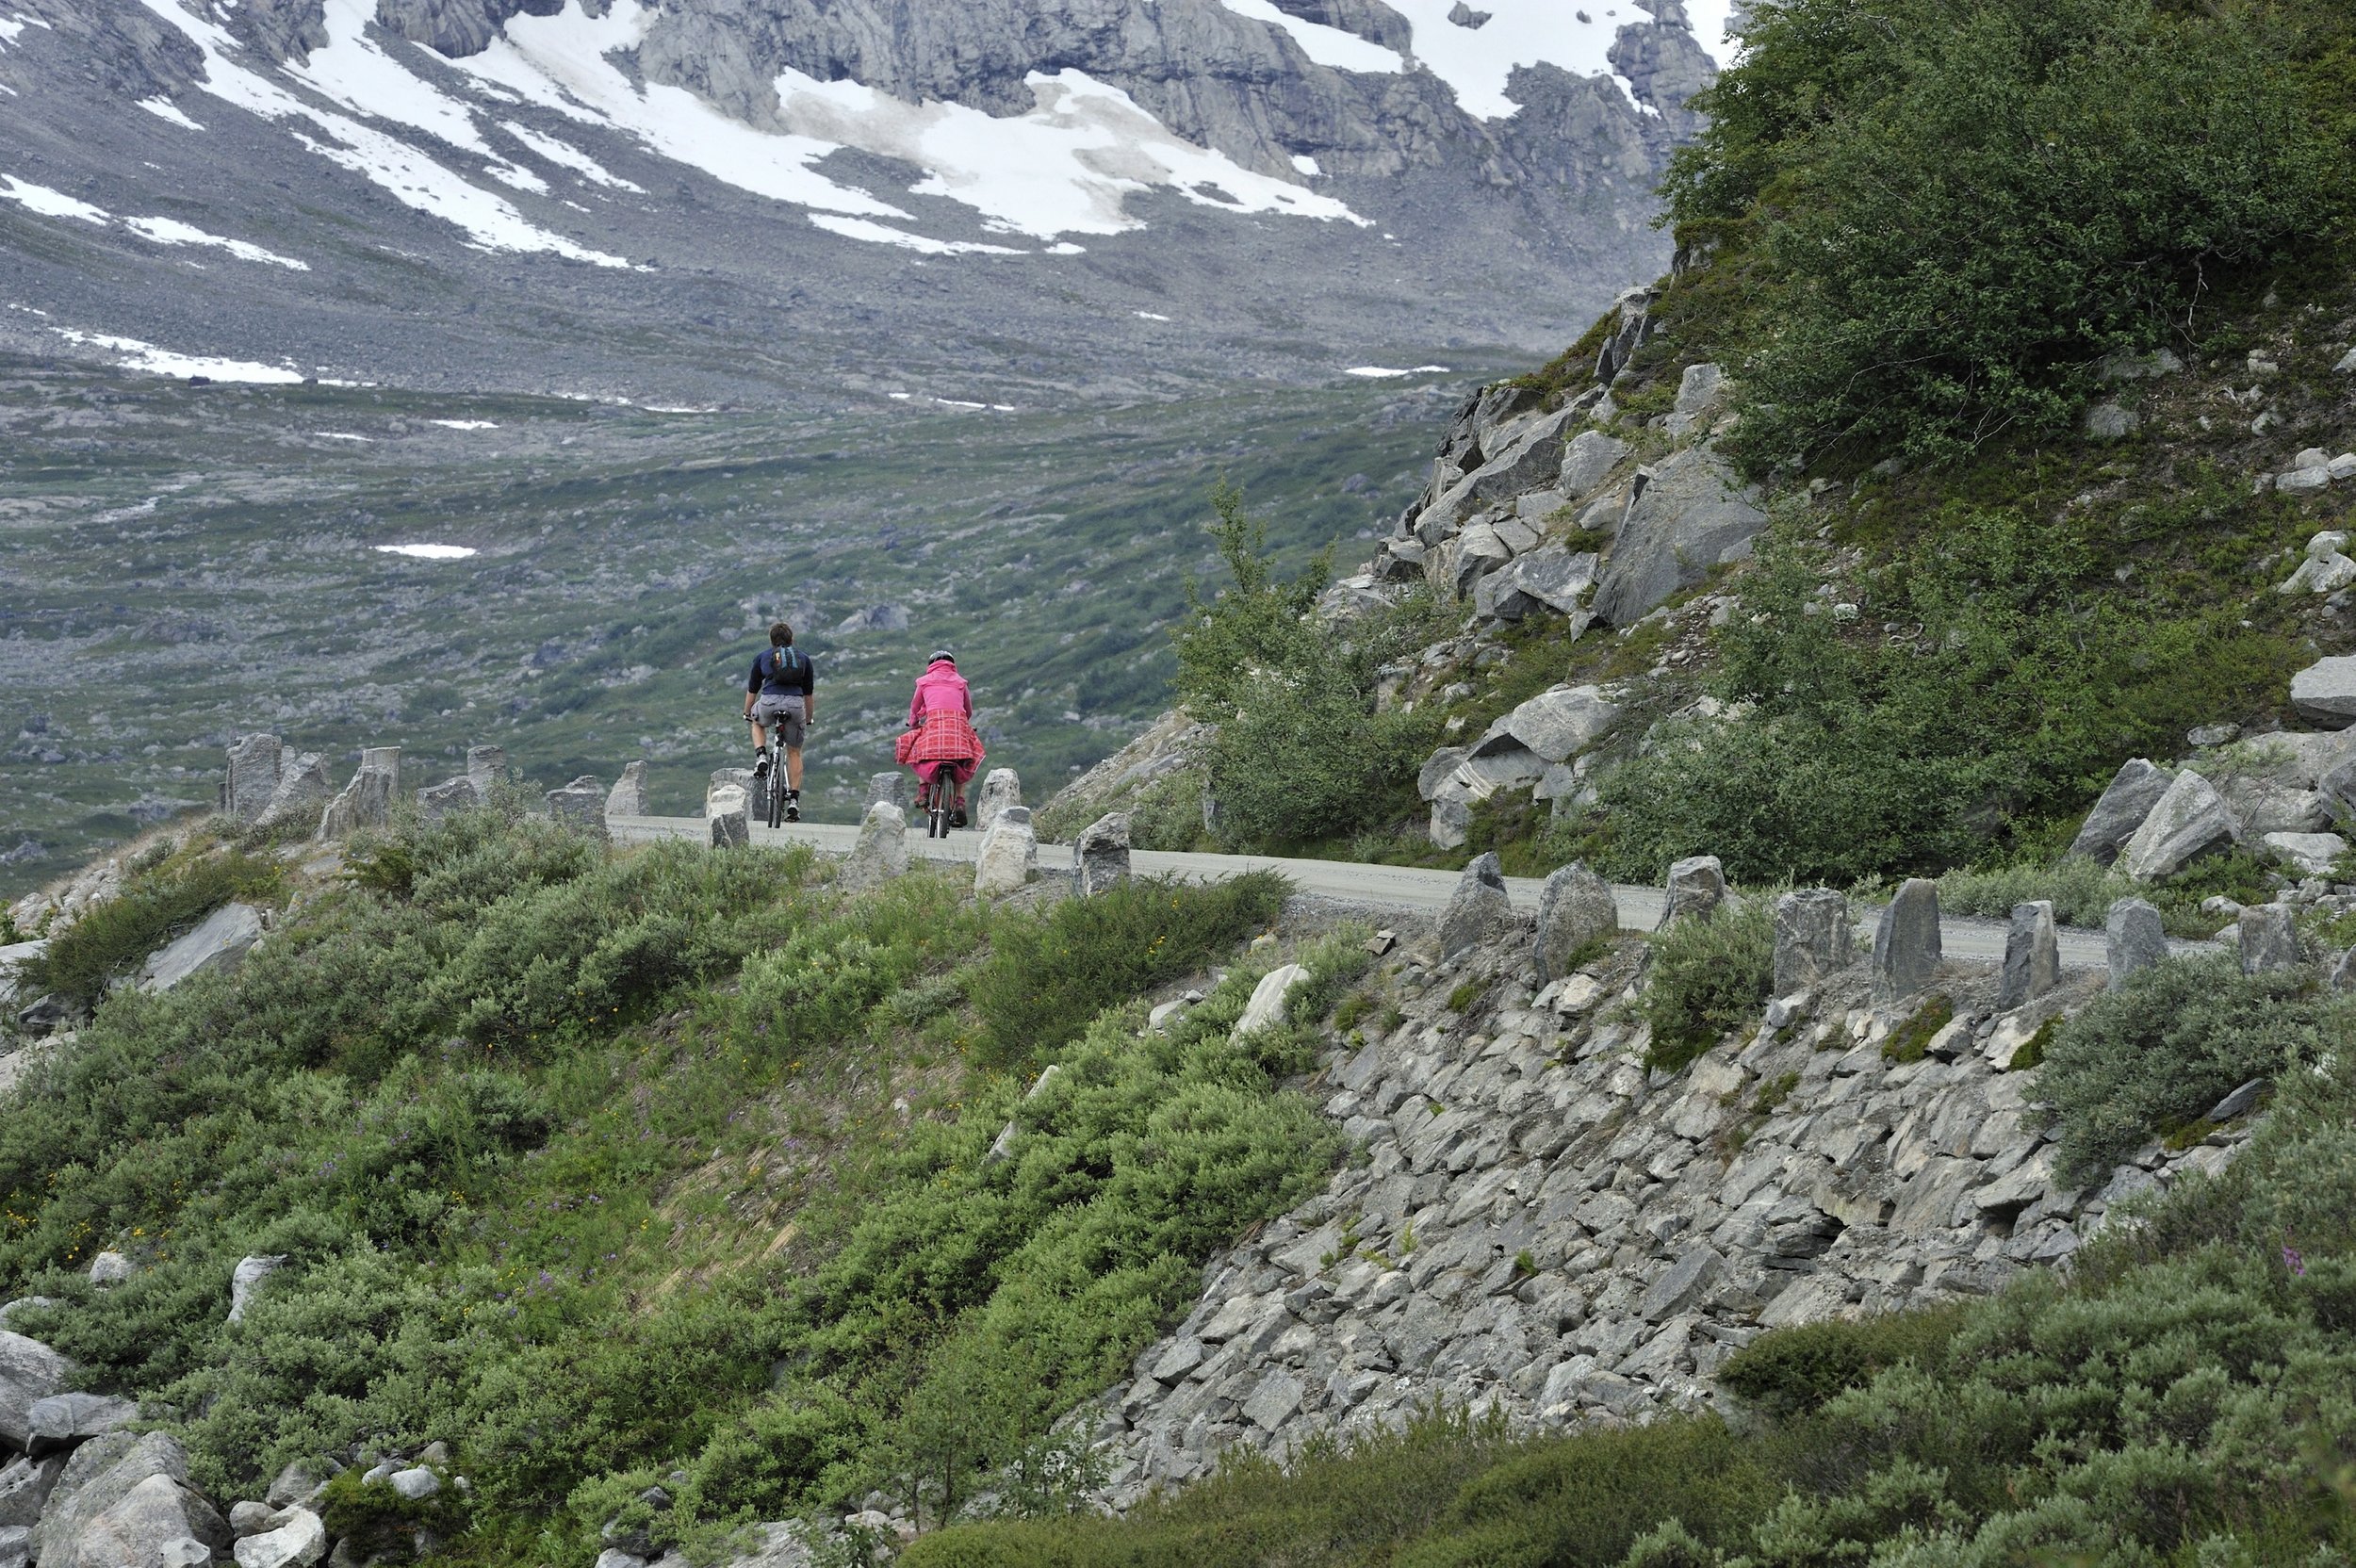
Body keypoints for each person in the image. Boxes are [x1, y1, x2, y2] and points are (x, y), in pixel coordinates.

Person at [898, 649, 984, 825]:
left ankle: (923, 791)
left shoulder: (923, 682)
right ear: (952, 664)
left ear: (931, 665)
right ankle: (959, 802)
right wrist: (960, 723)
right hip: (957, 726)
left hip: (934, 725)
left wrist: (914, 724)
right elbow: (968, 711)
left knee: (916, 751)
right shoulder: (961, 682)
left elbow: (915, 709)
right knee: (964, 760)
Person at [743, 621, 815, 822]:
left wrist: (748, 713)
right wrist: (808, 718)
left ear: (772, 641)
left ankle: (762, 757)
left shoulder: (763, 657)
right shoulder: (803, 659)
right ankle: (793, 800)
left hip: (769, 702)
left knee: (757, 722)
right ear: (792, 639)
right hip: (794, 706)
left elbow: (752, 690)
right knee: (794, 751)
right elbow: (808, 695)